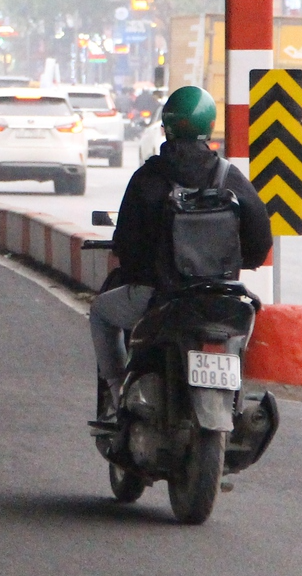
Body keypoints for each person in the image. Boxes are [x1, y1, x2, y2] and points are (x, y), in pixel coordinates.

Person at [91, 86, 272, 414]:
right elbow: (260, 242)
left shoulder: (148, 177)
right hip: (222, 298)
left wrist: (143, 272)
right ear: (209, 127)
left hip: (160, 298)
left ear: (166, 127)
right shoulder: (230, 177)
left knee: (101, 313)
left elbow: (127, 246)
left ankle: (118, 394)